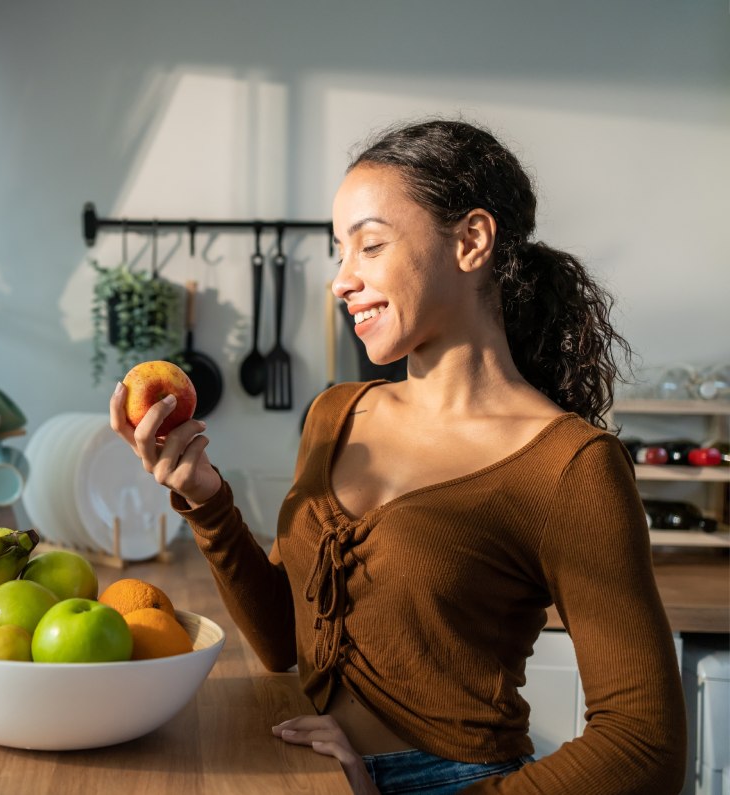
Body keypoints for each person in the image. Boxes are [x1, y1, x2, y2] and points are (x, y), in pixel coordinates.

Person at [109, 119, 686, 794]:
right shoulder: (336, 413)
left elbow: (645, 746)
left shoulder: (571, 465)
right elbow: (282, 643)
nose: (341, 281)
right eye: (338, 252)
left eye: (370, 246)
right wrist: (206, 498)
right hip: (308, 767)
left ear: (471, 241)